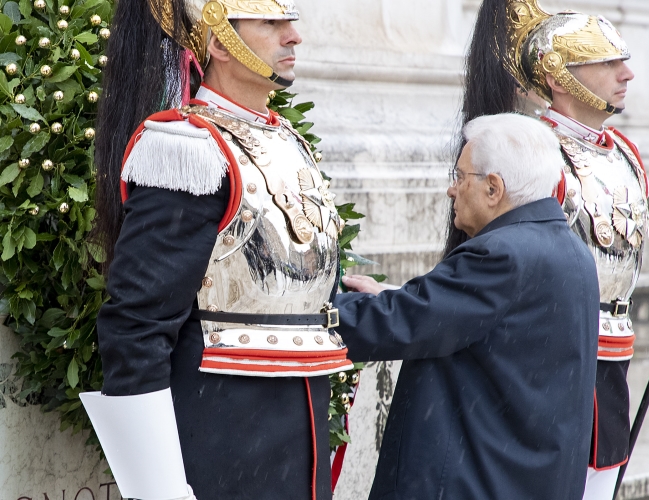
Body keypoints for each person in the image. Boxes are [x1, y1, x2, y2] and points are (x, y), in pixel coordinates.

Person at [453, 1, 649, 498]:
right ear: (560, 76)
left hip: (612, 349)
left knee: (602, 477)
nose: (626, 73)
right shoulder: (531, 151)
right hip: (549, 349)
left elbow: (622, 195)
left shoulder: (619, 148)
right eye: (607, 62)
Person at [83, 0, 354, 499]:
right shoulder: (189, 149)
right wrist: (160, 488)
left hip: (294, 449)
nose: (294, 36)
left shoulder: (286, 138)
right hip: (224, 448)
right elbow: (135, 327)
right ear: (216, 43)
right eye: (271, 22)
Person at [336, 113, 599, 499]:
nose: (451, 190)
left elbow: (405, 323)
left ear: (494, 188)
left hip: (475, 481)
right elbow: (476, 320)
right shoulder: (570, 249)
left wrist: (298, 312)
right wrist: (394, 296)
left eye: (460, 177)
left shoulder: (502, 254)